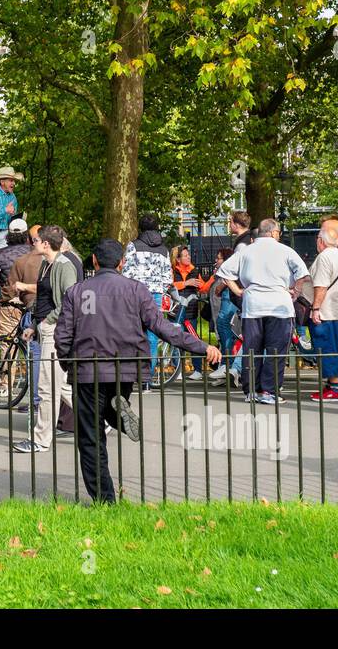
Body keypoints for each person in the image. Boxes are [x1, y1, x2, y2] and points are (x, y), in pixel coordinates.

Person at [56, 239, 220, 502]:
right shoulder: (137, 290)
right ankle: (118, 414)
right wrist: (202, 347)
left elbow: (62, 337)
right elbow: (162, 327)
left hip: (87, 370)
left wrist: (69, 365)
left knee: (90, 437)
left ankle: (104, 498)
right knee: (110, 407)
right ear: (121, 263)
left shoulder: (77, 292)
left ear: (95, 262)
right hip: (126, 369)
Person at [215, 218, 310, 405]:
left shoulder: (246, 251)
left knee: (252, 349)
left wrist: (239, 291)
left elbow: (224, 272)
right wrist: (295, 291)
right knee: (276, 350)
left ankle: (251, 390)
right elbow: (303, 274)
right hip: (279, 305)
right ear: (274, 232)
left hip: (253, 305)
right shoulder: (285, 250)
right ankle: (269, 390)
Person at [15, 224, 78, 453]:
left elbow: (67, 301)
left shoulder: (64, 266)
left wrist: (47, 322)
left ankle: (40, 439)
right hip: (44, 328)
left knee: (46, 387)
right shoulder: (45, 264)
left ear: (45, 243)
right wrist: (33, 324)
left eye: (37, 240)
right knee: (60, 385)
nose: (33, 243)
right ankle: (102, 420)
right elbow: (43, 298)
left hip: (54, 330)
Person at [122, 214, 174, 382]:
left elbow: (126, 271)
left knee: (134, 332)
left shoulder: (133, 246)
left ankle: (133, 372)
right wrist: (160, 287)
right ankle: (147, 379)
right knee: (152, 335)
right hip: (156, 294)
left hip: (136, 293)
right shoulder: (164, 249)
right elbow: (168, 277)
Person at [305, 219, 338, 401]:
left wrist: (316, 308)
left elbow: (320, 286)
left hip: (325, 312)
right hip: (337, 310)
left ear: (321, 241)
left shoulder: (324, 257)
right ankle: (334, 386)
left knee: (326, 349)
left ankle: (334, 388)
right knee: (335, 348)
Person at [208, 210, 251, 385]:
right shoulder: (246, 240)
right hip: (239, 290)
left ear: (235, 224)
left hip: (238, 291)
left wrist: (225, 285)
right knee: (231, 325)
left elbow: (233, 269)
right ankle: (230, 364)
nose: (229, 224)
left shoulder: (242, 245)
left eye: (230, 221)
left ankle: (229, 363)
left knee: (225, 323)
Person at [169, 245, 205, 381]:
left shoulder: (194, 270)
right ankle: (177, 369)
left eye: (188, 255)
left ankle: (198, 370)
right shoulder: (172, 271)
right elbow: (169, 285)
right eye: (185, 255)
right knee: (175, 340)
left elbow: (202, 287)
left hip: (191, 312)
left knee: (194, 339)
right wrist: (185, 283)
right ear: (178, 259)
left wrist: (213, 279)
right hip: (176, 311)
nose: (188, 257)